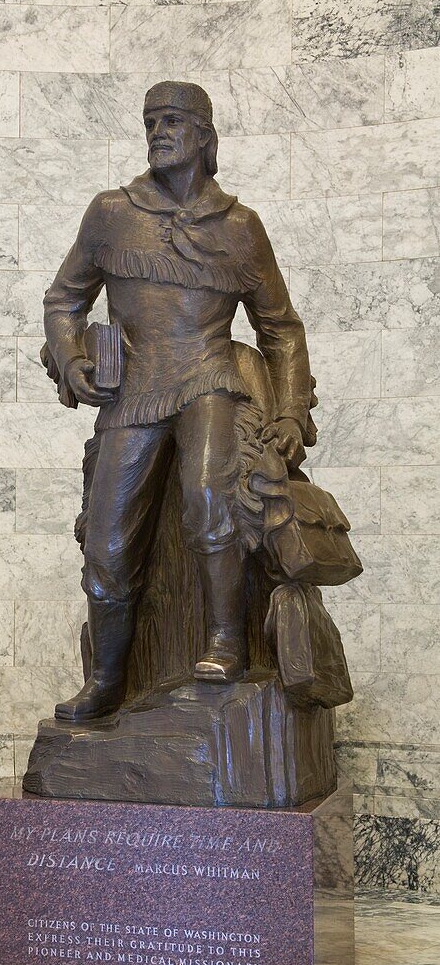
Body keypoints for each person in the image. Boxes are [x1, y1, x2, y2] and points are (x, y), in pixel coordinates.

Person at [43, 80, 312, 722]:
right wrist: (75, 358)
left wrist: (289, 413)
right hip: (133, 389)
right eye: (149, 122)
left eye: (171, 121)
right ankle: (106, 679)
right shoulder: (111, 212)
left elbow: (280, 328)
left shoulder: (241, 227)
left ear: (205, 138)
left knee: (210, 496)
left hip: (208, 374)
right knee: (106, 542)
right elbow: (64, 299)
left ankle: (224, 643)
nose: (158, 132)